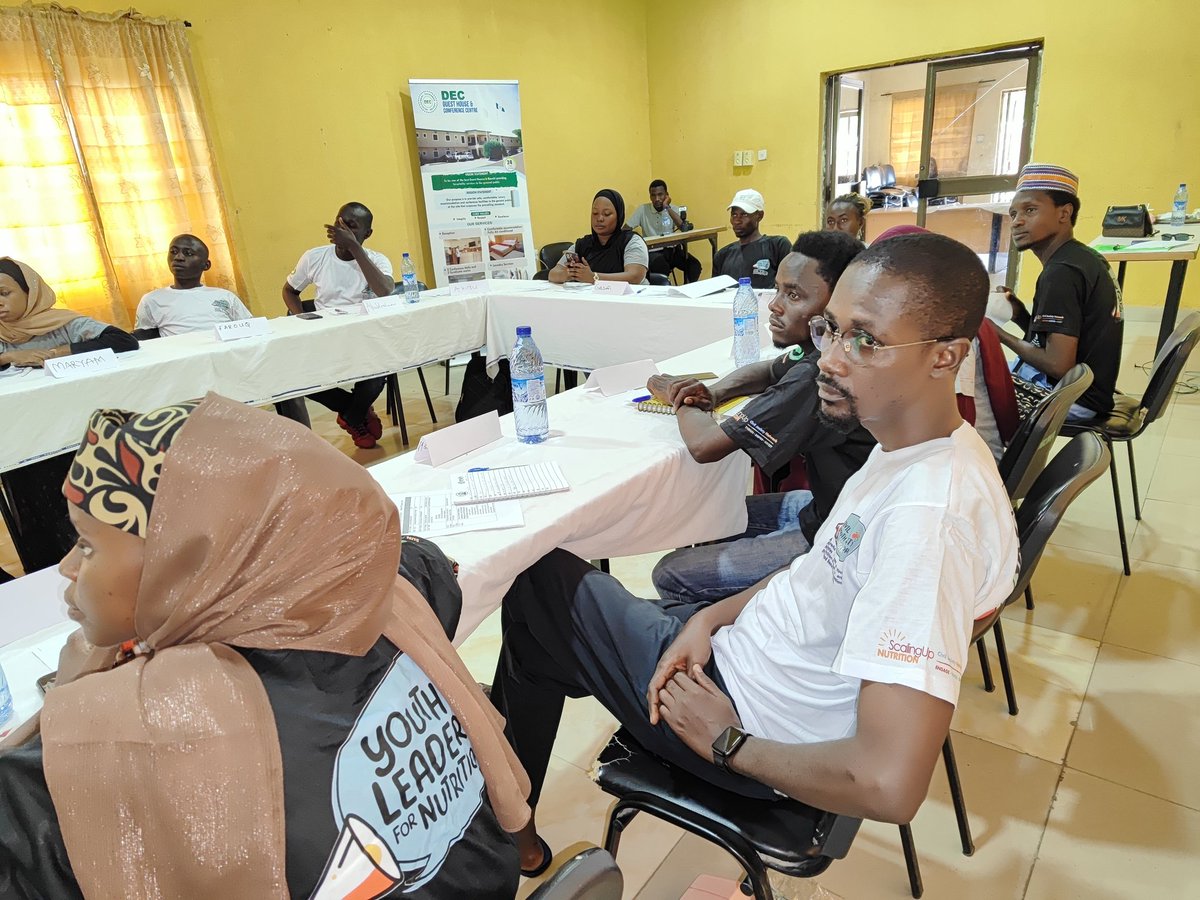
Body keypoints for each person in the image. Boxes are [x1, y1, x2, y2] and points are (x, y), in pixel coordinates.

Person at [490, 233, 1019, 874]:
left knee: (536, 580)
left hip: (740, 724)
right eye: (830, 329)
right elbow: (816, 572)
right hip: (738, 664)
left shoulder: (926, 521)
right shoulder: (912, 447)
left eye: (866, 341)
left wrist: (728, 742)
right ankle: (511, 801)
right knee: (545, 629)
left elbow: (890, 783)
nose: (829, 359)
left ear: (945, 358)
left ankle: (508, 820)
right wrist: (710, 619)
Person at [0, 393, 530, 898]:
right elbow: (427, 560)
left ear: (186, 566)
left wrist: (85, 689)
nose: (68, 568)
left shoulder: (114, 741)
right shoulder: (384, 593)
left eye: (88, 545)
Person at [645, 230, 873, 605]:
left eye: (794, 295)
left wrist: (679, 396)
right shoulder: (821, 348)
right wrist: (715, 392)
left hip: (840, 537)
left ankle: (728, 646)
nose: (775, 305)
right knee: (715, 510)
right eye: (778, 290)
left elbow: (704, 446)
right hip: (830, 505)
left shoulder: (821, 372)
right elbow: (768, 370)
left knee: (670, 572)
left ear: (837, 305)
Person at [0, 258, 138, 574]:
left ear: (29, 291)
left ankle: (101, 570)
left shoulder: (62, 324)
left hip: (71, 436)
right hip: (22, 440)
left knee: (80, 509)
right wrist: (9, 356)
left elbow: (123, 341)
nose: (0, 303)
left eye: (5, 293)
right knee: (34, 516)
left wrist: (57, 353)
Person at [996, 164, 1123, 421]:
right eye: (1013, 214)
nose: (1017, 221)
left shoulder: (1061, 273)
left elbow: (1058, 364)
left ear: (1065, 213)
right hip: (1089, 390)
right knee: (982, 374)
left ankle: (998, 461)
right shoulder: (1082, 257)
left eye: (1030, 210)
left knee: (970, 390)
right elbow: (1062, 340)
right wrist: (1020, 315)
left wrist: (998, 334)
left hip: (1071, 398)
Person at [283, 201, 395, 448]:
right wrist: (303, 318)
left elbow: (385, 290)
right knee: (299, 379)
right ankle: (354, 412)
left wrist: (355, 248)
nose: (341, 229)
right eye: (338, 223)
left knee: (377, 377)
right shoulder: (314, 256)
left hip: (366, 339)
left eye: (351, 226)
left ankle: (353, 416)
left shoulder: (377, 260)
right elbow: (290, 291)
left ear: (367, 234)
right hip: (327, 337)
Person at [133, 234, 252, 338]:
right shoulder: (151, 300)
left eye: (188, 253)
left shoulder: (225, 296)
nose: (178, 257)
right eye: (173, 252)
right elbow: (145, 342)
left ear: (206, 265)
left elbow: (252, 330)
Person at [548, 189, 649, 285]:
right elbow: (553, 273)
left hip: (628, 299)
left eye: (607, 214)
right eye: (595, 213)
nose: (599, 218)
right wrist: (568, 274)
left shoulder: (631, 241)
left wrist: (594, 278)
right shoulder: (582, 244)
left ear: (619, 216)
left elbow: (635, 277)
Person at [711, 190, 793, 289]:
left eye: (744, 215)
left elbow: (791, 287)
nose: (737, 221)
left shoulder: (778, 246)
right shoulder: (723, 255)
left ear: (759, 216)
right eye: (734, 215)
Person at [627, 179, 701, 283]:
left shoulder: (673, 209)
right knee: (661, 267)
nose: (657, 199)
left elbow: (684, 228)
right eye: (653, 195)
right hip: (652, 252)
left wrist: (667, 207)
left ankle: (686, 291)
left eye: (660, 195)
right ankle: (667, 296)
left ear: (666, 195)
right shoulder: (643, 209)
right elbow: (625, 229)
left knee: (694, 266)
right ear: (650, 196)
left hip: (673, 250)